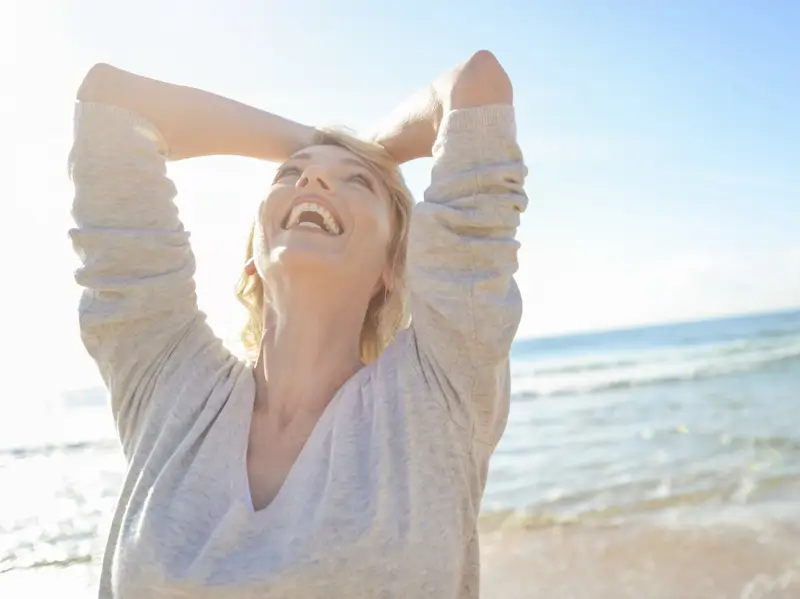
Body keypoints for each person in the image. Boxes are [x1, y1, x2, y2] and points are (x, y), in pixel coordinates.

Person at [69, 50, 527, 598]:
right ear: (251, 259)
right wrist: (321, 144)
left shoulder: (438, 393)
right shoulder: (170, 383)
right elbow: (110, 101)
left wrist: (359, 150)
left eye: (358, 184)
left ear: (394, 268)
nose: (312, 176)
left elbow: (476, 85)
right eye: (293, 174)